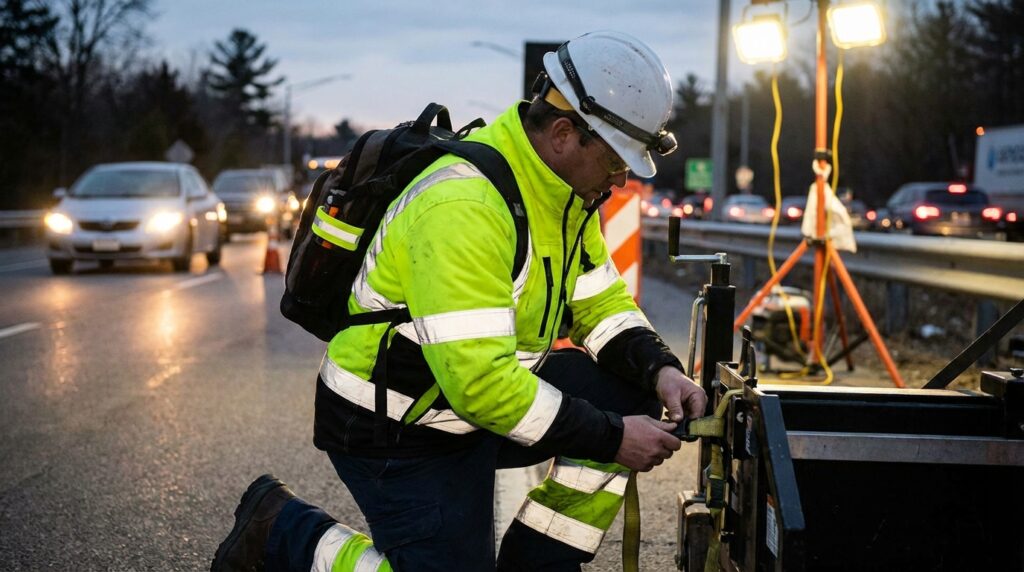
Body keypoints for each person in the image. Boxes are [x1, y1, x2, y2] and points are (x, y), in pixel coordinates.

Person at [212, 30, 707, 572]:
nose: (621, 179)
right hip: (398, 425)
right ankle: (282, 530)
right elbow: (480, 384)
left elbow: (599, 302)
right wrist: (613, 439)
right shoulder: (463, 205)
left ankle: (538, 563)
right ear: (564, 134)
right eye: (617, 161)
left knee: (631, 396)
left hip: (470, 406)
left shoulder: (564, 194)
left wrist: (660, 369)